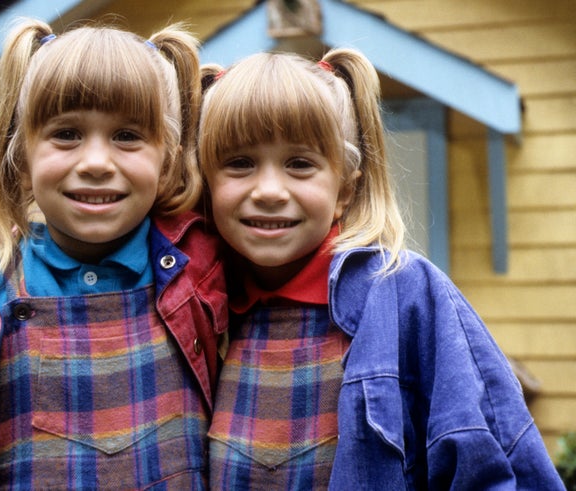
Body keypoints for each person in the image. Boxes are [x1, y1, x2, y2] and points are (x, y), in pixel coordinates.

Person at [0, 18, 227, 490]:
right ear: (23, 157)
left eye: (128, 136)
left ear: (167, 158)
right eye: (67, 134)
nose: (96, 162)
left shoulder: (199, 270)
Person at [198, 49, 565, 489]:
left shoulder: (408, 295)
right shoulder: (201, 310)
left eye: (300, 164)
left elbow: (496, 465)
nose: (270, 190)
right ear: (205, 180)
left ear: (345, 190)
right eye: (240, 163)